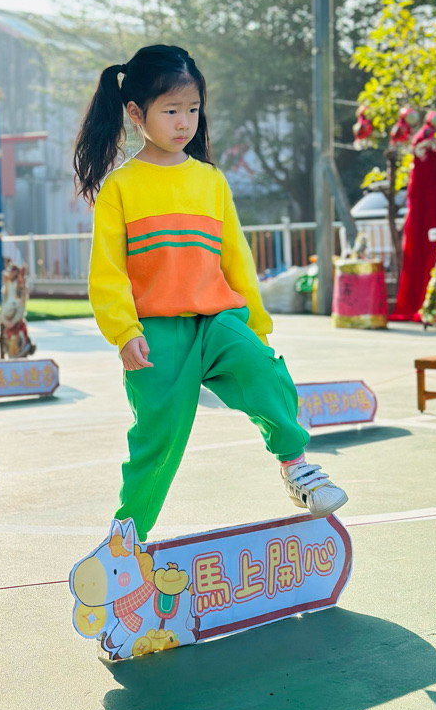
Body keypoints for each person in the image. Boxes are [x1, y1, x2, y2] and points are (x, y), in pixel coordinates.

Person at [74, 44, 348, 543]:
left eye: (193, 109)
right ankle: (126, 539)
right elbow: (107, 272)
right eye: (171, 111)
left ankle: (296, 467)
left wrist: (257, 325)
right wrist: (124, 331)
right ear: (136, 113)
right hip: (156, 333)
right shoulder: (120, 187)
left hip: (219, 320)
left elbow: (236, 258)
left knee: (263, 368)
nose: (184, 122)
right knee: (159, 438)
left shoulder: (211, 181)